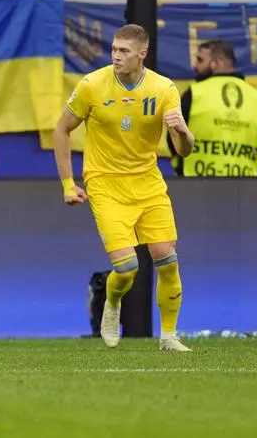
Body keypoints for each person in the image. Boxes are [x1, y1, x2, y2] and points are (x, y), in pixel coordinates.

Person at [52, 24, 195, 351]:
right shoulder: (92, 86)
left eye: (124, 51)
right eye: (114, 49)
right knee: (127, 267)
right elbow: (61, 130)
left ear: (142, 54)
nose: (116, 56)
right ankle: (112, 303)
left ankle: (169, 336)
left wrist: (185, 133)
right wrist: (67, 184)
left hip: (147, 182)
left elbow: (183, 149)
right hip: (105, 183)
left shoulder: (164, 89)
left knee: (167, 259)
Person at [173, 40, 257, 178]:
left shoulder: (195, 93)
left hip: (196, 187)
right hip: (246, 189)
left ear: (216, 64)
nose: (195, 66)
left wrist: (181, 169)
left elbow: (173, 135)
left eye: (200, 60)